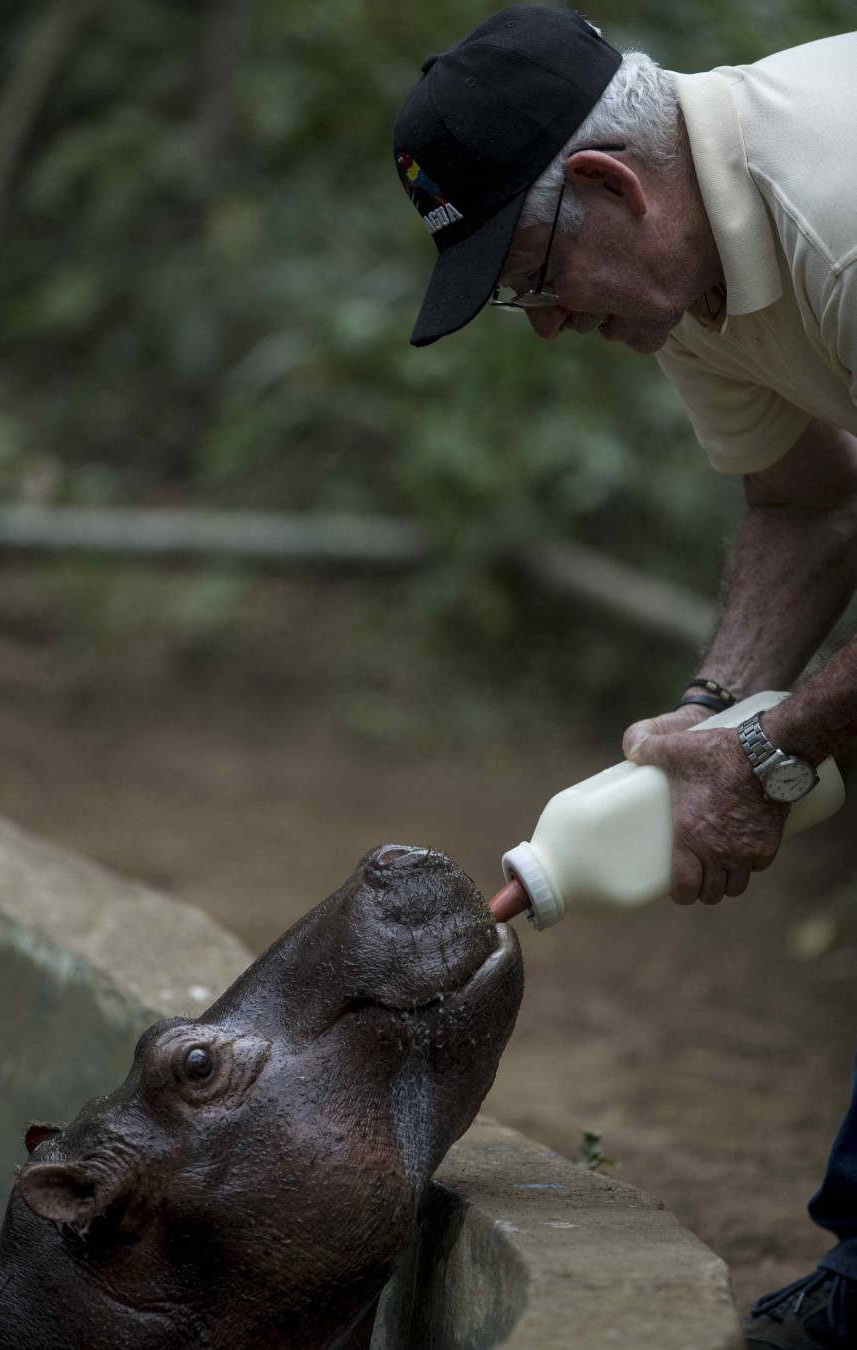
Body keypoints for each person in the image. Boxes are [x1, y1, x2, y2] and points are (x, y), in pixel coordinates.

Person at [392, 8, 857, 1348]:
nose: (542, 326)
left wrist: (778, 755)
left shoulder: (831, 210)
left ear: (609, 187)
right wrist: (714, 715)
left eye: (533, 278)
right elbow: (809, 498)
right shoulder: (695, 278)